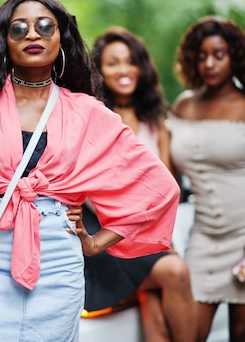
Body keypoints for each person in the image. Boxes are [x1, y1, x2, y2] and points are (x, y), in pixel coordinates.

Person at [0, 0, 181, 341]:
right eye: (18, 28)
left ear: (61, 37)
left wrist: (96, 243)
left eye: (45, 26)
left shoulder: (87, 112)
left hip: (60, 257)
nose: (32, 34)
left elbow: (159, 190)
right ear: (3, 41)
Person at [167, 16, 245, 342]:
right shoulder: (183, 106)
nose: (209, 63)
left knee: (243, 335)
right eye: (202, 55)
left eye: (218, 54)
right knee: (189, 333)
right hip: (205, 238)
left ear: (235, 56)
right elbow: (166, 173)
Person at [80, 26, 195, 342]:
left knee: (155, 304)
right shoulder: (94, 117)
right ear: (99, 70)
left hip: (155, 233)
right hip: (108, 234)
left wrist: (162, 234)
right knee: (175, 273)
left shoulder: (155, 120)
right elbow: (90, 188)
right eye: (112, 62)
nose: (123, 70)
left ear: (141, 67)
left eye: (130, 61)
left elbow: (169, 185)